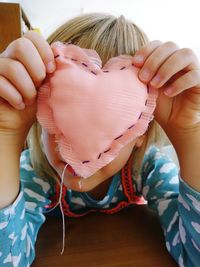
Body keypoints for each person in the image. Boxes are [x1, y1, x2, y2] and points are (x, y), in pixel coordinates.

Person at [0, 12, 200, 267]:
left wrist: (189, 133)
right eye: (64, 110)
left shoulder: (146, 168)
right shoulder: (35, 173)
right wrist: (4, 135)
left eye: (114, 113)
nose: (77, 148)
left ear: (141, 129)